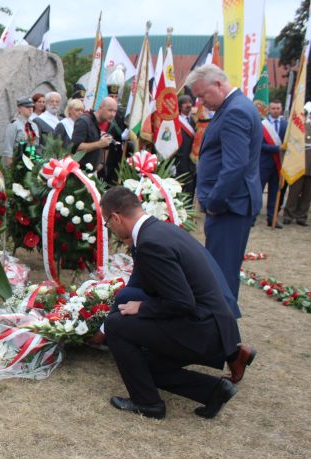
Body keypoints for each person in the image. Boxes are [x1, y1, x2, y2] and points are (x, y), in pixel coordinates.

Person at [100, 186, 255, 420]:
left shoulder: (150, 243)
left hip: (203, 329)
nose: (109, 228)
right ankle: (213, 390)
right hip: (214, 325)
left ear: (116, 217)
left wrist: (141, 308)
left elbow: (182, 302)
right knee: (143, 365)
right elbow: (141, 284)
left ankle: (148, 403)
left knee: (116, 325)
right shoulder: (159, 230)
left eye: (106, 223)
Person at [186, 64, 262, 301]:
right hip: (231, 203)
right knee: (220, 271)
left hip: (230, 205)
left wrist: (214, 202)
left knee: (221, 274)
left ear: (217, 84)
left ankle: (223, 332)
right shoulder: (233, 107)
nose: (200, 102)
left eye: (202, 95)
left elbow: (235, 165)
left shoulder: (235, 111)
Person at [70, 97, 117, 176]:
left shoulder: (104, 123)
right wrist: (99, 144)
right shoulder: (84, 121)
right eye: (110, 110)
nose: (113, 114)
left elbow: (102, 145)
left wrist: (101, 163)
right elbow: (75, 147)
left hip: (92, 173)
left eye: (115, 111)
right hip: (79, 172)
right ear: (100, 108)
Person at [259, 102, 285, 228]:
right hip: (263, 164)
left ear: (281, 109)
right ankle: (252, 217)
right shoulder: (262, 125)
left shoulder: (286, 125)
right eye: (273, 108)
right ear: (269, 109)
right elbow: (259, 144)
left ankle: (272, 218)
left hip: (279, 165)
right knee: (258, 191)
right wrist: (277, 148)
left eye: (278, 108)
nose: (276, 110)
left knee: (274, 193)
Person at [2, 97, 39, 168]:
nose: (30, 109)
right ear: (19, 109)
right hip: (17, 162)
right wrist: (10, 168)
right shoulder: (14, 125)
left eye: (31, 106)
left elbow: (35, 146)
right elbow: (8, 148)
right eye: (27, 107)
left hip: (31, 162)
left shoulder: (34, 126)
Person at [175, 95, 197, 197]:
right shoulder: (175, 122)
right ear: (179, 106)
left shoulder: (196, 121)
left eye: (190, 102)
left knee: (190, 191)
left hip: (192, 163)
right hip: (180, 162)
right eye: (185, 103)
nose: (188, 105)